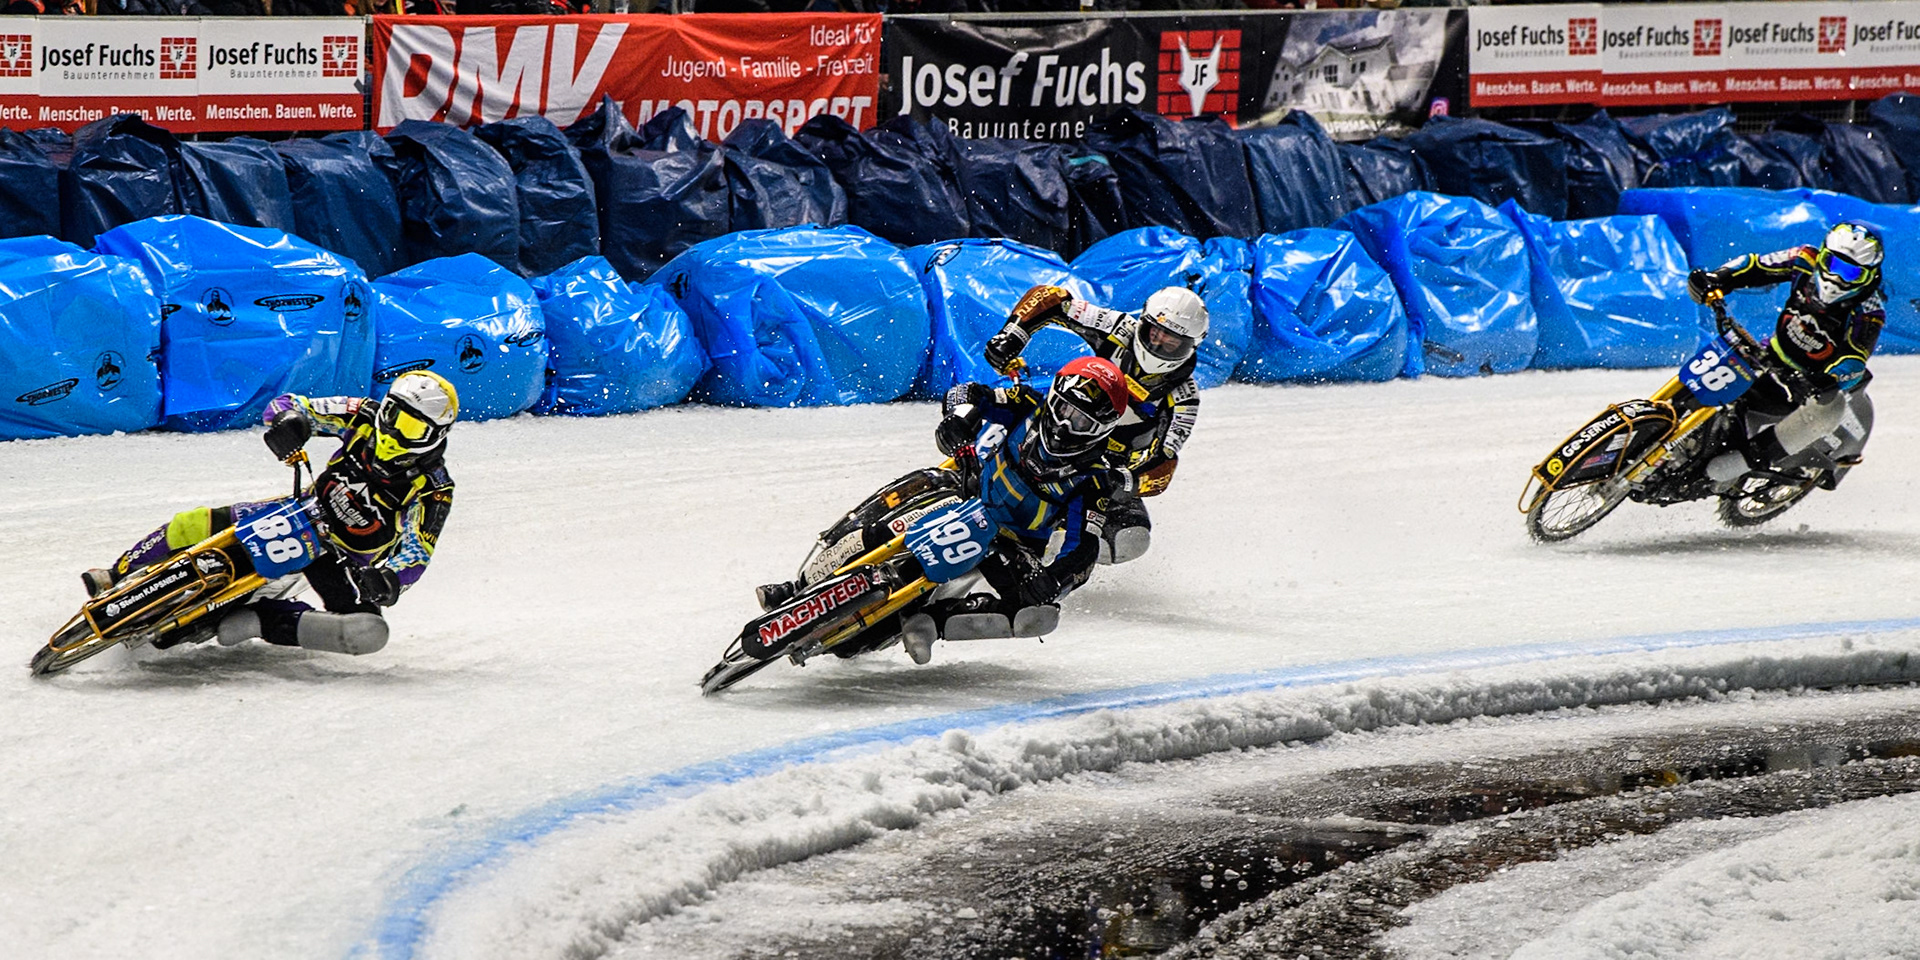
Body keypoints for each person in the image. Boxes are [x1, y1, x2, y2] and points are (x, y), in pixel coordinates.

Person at [82, 372, 460, 655]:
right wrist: (288, 423)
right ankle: (116, 573)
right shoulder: (362, 413)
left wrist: (390, 580)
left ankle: (262, 620)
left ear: (435, 435)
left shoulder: (434, 488)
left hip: (346, 557)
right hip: (302, 509)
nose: (393, 430)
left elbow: (417, 552)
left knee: (369, 630)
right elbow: (291, 405)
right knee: (192, 523)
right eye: (394, 414)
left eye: (410, 426)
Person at [889, 355, 1132, 664]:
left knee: (1037, 616)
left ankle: (931, 621)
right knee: (929, 481)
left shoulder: (1094, 477)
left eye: (1081, 421)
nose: (1064, 424)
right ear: (1054, 397)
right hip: (965, 489)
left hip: (1011, 544)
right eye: (1064, 409)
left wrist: (1054, 580)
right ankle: (853, 535)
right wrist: (957, 420)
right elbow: (966, 393)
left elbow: (1083, 546)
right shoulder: (1028, 402)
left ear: (1100, 429)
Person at [981, 284, 1205, 565]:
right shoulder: (1121, 328)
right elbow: (1053, 298)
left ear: (1191, 347)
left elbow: (1164, 463)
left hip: (1097, 468)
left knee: (1132, 536)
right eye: (1154, 332)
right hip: (1057, 423)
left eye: (1171, 342)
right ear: (1143, 321)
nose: (1158, 343)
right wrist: (1013, 333)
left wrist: (1126, 481)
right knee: (993, 413)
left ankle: (1056, 557)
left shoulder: (1185, 398)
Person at [1688, 221, 1885, 483]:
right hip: (1769, 355)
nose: (1837, 278)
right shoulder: (1805, 258)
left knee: (1828, 411)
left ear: (1869, 276)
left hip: (1808, 386)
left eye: (1851, 274)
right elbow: (1756, 265)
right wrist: (1719, 277)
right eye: (1834, 265)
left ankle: (1735, 467)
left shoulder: (1869, 312)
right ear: (1824, 255)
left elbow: (1854, 359)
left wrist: (1826, 380)